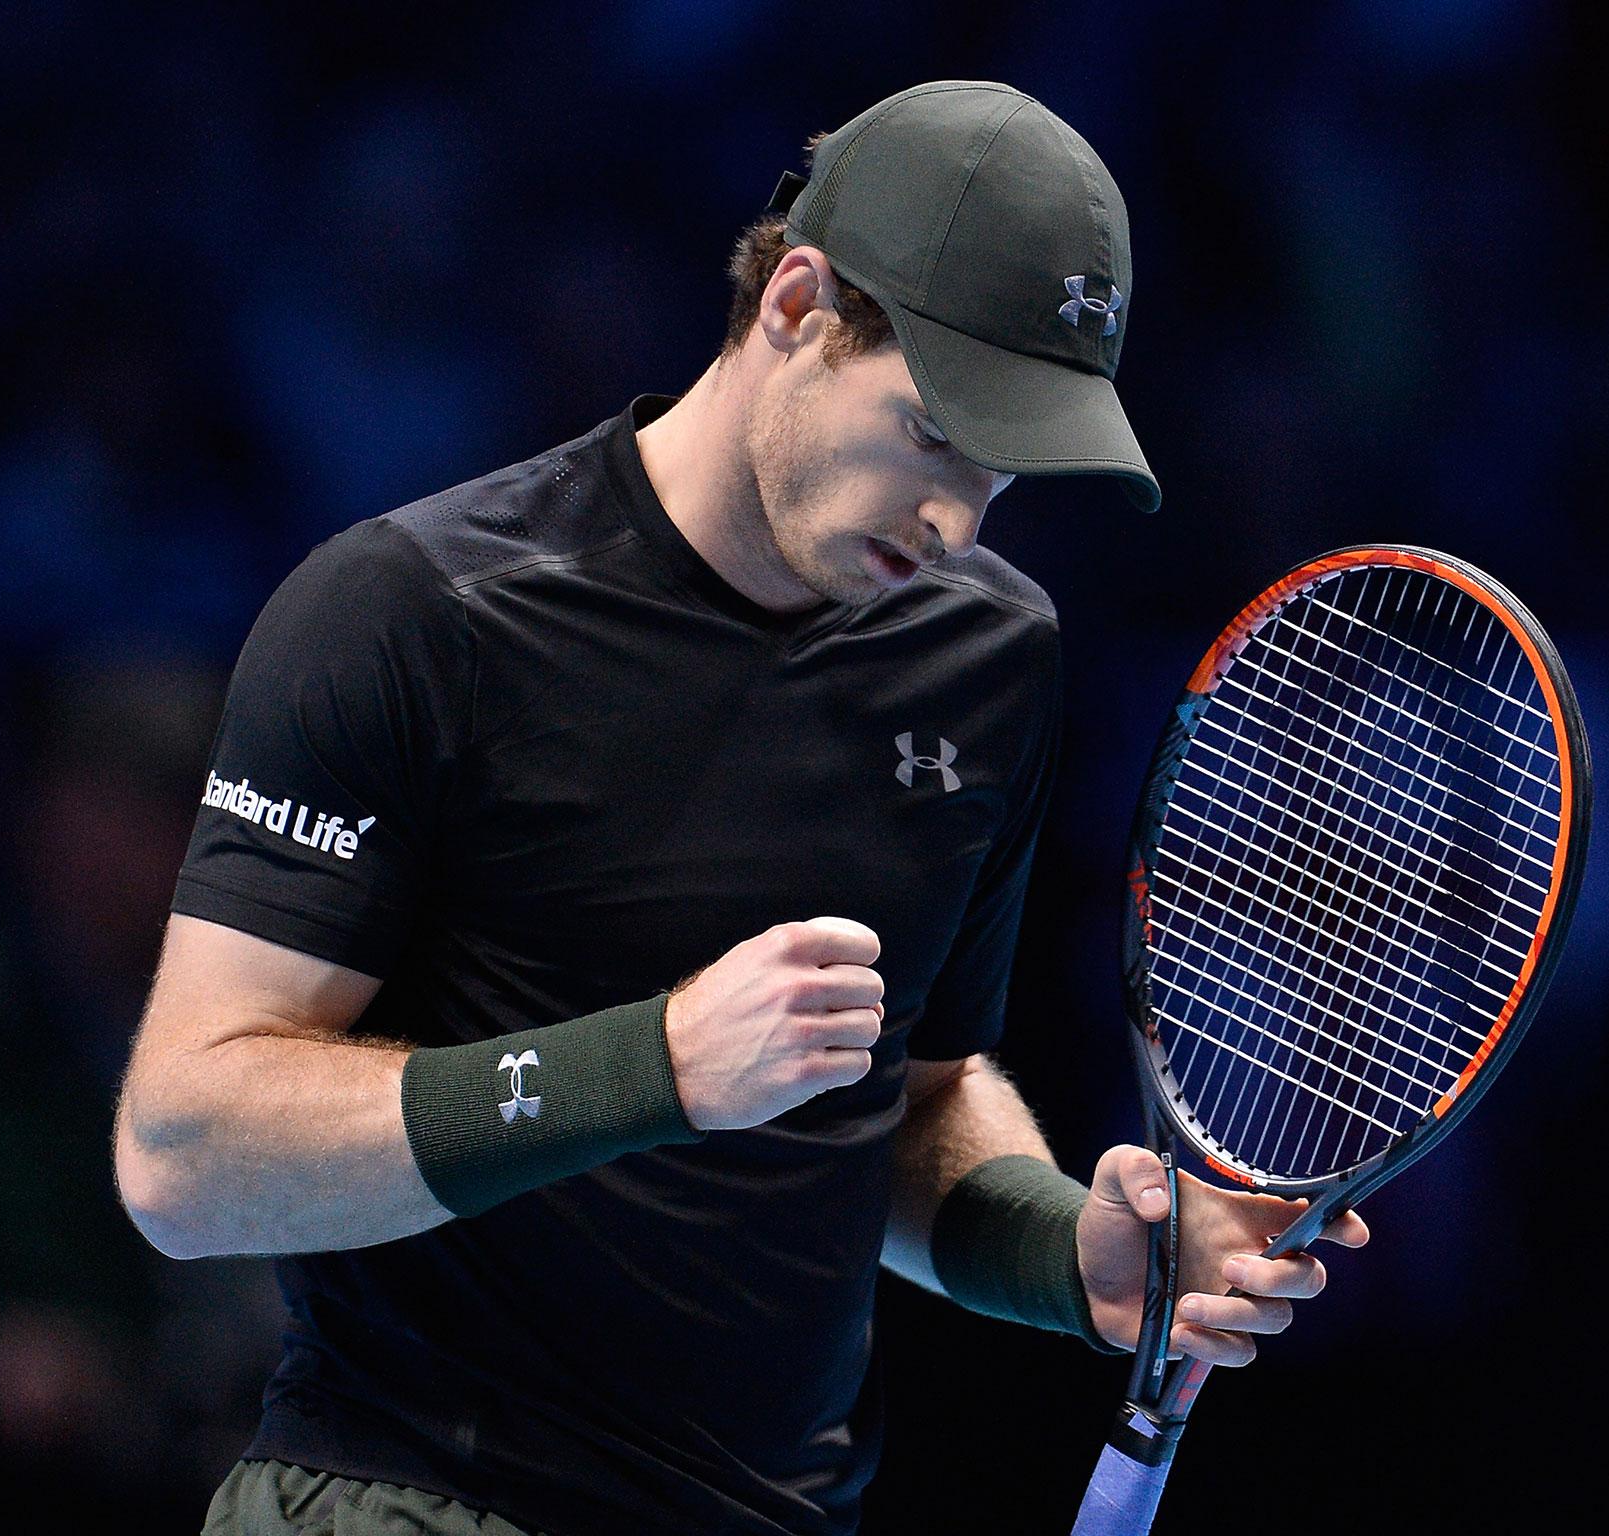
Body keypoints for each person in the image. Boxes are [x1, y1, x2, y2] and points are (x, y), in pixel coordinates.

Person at [113, 80, 1367, 1536]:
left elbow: (910, 1103)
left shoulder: (990, 658)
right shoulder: (411, 615)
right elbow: (181, 1155)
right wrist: (653, 1067)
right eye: (936, 431)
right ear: (796, 305)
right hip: (409, 1495)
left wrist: (1061, 1250)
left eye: (1009, 466)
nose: (961, 517)